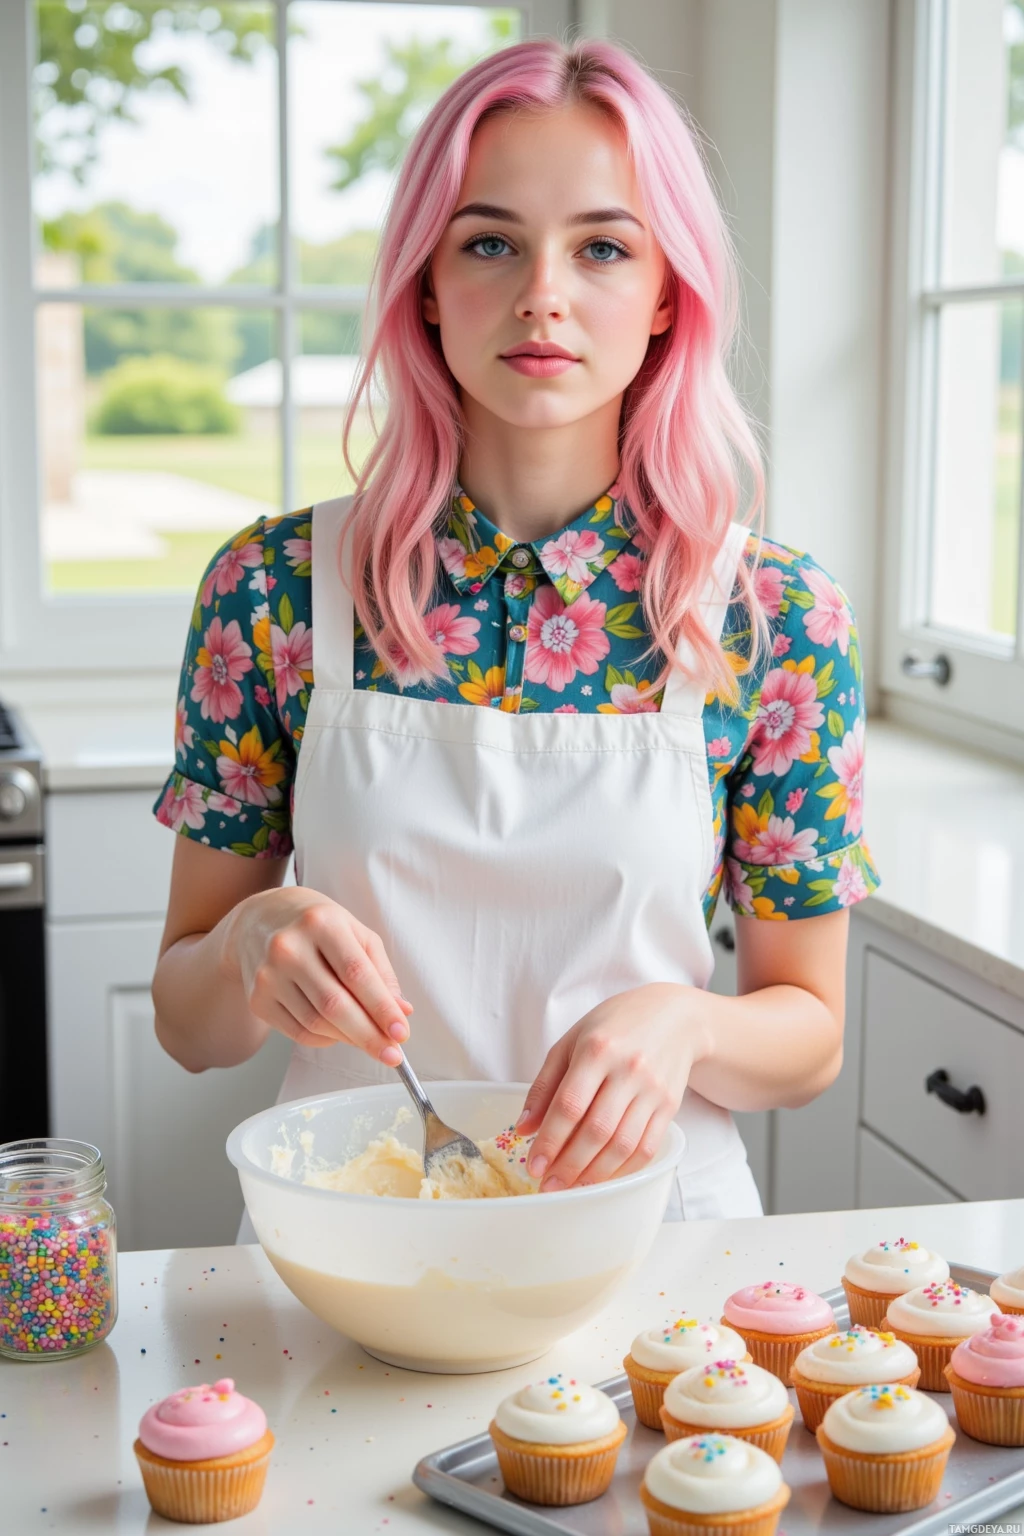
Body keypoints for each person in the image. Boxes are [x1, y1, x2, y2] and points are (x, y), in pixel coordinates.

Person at [151, 37, 880, 1223]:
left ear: (664, 297)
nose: (544, 290)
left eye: (602, 247)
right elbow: (187, 1025)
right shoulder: (275, 590)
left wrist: (686, 1024)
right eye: (490, 241)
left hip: (656, 1240)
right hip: (350, 1229)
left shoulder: (775, 618)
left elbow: (807, 1039)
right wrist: (248, 943)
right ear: (426, 285)